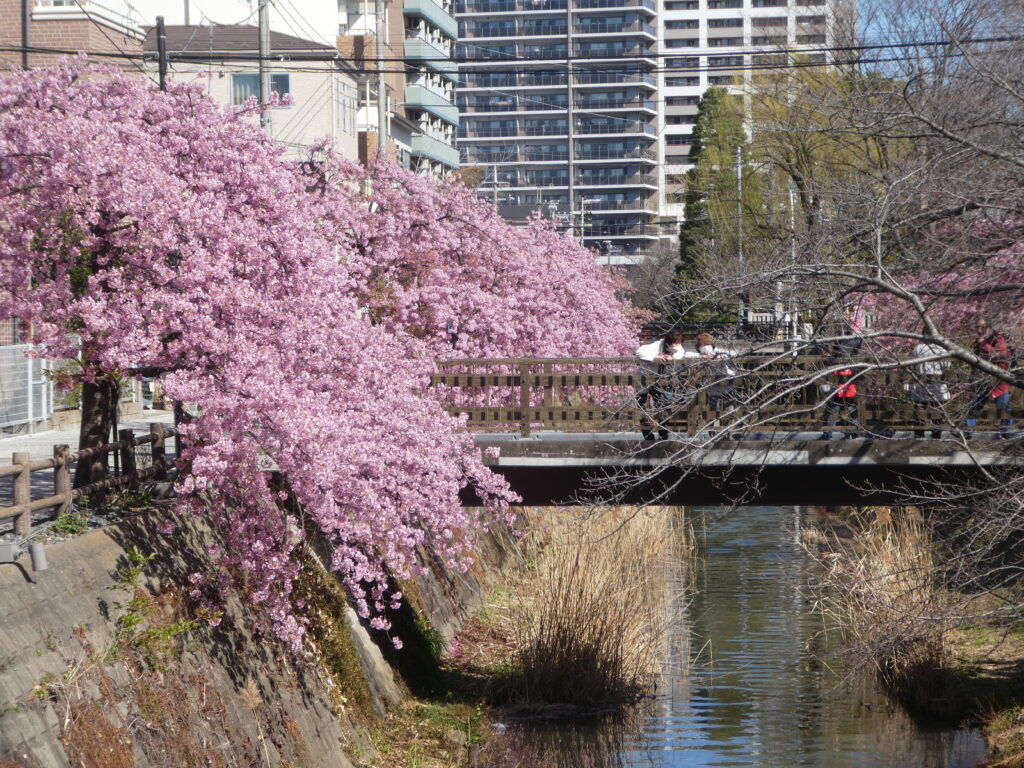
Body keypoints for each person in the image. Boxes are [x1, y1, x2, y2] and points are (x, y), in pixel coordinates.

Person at [635, 330, 696, 440]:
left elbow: (679, 354)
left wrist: (672, 358)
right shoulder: (657, 345)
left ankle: (663, 434)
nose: (677, 346)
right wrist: (656, 356)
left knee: (664, 405)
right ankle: (647, 435)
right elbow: (639, 352)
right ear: (668, 342)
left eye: (679, 343)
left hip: (660, 380)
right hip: (644, 378)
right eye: (675, 343)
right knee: (642, 407)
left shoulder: (679, 349)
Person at [966, 319, 1014, 436]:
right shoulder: (978, 341)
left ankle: (1007, 431)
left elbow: (1001, 353)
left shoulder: (997, 338)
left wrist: (984, 345)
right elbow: (974, 361)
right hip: (982, 379)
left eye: (982, 327)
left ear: (989, 327)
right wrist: (971, 380)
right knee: (974, 405)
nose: (979, 330)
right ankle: (968, 430)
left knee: (1003, 407)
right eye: (977, 328)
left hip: (998, 378)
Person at [909, 337, 950, 438]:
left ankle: (919, 436)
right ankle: (936, 436)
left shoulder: (918, 348)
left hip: (920, 384)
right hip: (937, 385)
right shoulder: (940, 349)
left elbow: (911, 365)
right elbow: (947, 365)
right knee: (937, 413)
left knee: (920, 413)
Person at [695, 333, 738, 414]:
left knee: (729, 410)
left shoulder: (718, 351)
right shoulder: (699, 354)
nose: (703, 346)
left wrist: (719, 356)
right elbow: (686, 354)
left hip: (727, 385)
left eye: (705, 344)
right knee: (713, 411)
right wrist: (702, 356)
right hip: (712, 387)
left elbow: (734, 353)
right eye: (701, 344)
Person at [820, 350, 858, 439]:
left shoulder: (838, 367)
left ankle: (828, 434)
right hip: (845, 393)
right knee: (846, 413)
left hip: (842, 393)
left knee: (835, 413)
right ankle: (853, 433)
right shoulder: (852, 366)